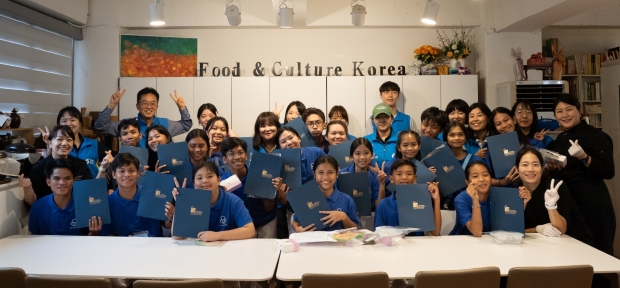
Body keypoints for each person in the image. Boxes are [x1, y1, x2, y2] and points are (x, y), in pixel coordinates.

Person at [547, 93, 616, 256]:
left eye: (569, 109)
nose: (564, 115)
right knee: (570, 255)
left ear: (579, 110)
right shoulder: (559, 140)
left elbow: (608, 170)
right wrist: (550, 166)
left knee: (598, 254)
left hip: (591, 203)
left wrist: (584, 157)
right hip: (568, 203)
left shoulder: (597, 136)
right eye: (559, 111)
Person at [517, 147, 594, 245]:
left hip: (572, 242)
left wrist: (551, 206)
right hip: (539, 243)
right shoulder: (515, 191)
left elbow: (561, 229)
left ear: (542, 168)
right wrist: (537, 229)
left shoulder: (554, 187)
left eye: (535, 165)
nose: (530, 169)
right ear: (517, 169)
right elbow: (511, 231)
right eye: (525, 165)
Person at [172, 161, 256, 241]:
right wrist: (180, 204)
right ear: (194, 184)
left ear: (219, 179)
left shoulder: (233, 201)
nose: (205, 181)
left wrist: (217, 235)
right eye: (199, 178)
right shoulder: (190, 201)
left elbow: (250, 230)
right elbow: (176, 235)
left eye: (210, 176)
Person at [221, 137, 283, 238]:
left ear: (246, 156)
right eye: (231, 153)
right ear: (224, 159)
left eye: (240, 152)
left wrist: (273, 192)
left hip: (266, 220)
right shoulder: (223, 184)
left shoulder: (259, 173)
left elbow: (268, 208)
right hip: (242, 226)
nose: (237, 157)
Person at [100, 153, 173, 237]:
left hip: (154, 246)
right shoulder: (107, 204)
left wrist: (171, 217)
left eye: (131, 170)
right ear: (113, 175)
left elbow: (166, 224)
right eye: (122, 171)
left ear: (138, 172)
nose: (127, 175)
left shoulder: (152, 194)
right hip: (123, 248)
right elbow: (109, 236)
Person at [450, 161, 530, 236]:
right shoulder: (461, 199)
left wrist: (523, 203)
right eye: (475, 176)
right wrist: (475, 200)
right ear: (467, 182)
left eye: (485, 175)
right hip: (462, 242)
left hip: (489, 242)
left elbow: (510, 224)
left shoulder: (498, 195)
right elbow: (477, 232)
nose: (481, 179)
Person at [94, 87, 192, 147]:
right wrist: (112, 105)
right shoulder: (128, 125)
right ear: (137, 106)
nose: (149, 107)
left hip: (161, 169)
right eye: (145, 103)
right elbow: (101, 126)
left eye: (153, 103)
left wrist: (182, 107)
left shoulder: (165, 124)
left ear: (157, 107)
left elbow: (186, 125)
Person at [28, 158, 102, 236]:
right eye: (57, 178)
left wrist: (94, 232)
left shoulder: (85, 204)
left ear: (74, 180)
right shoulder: (38, 207)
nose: (62, 183)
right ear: (48, 182)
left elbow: (88, 240)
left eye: (67, 178)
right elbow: (34, 237)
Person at [23, 126, 95, 205]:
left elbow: (89, 190)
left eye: (69, 140)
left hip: (76, 210)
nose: (64, 143)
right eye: (59, 139)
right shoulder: (38, 169)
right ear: (49, 143)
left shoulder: (81, 165)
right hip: (48, 212)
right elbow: (35, 201)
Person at [375, 159, 442, 236]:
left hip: (418, 246)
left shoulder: (421, 201)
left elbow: (436, 233)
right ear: (391, 179)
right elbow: (378, 235)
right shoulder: (383, 205)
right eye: (399, 174)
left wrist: (436, 199)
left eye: (409, 174)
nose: (404, 177)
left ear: (415, 178)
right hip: (393, 246)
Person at [292, 156, 360, 232]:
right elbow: (296, 221)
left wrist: (343, 217)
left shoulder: (347, 200)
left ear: (337, 173)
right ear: (314, 174)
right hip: (313, 242)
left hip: (339, 243)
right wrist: (297, 229)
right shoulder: (306, 197)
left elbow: (356, 229)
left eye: (330, 172)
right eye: (320, 172)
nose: (325, 177)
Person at [44, 106, 115, 178]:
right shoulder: (61, 148)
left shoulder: (93, 144)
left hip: (92, 186)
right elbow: (49, 165)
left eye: (72, 120)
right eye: (64, 121)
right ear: (59, 125)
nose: (68, 124)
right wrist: (50, 143)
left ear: (80, 123)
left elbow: (114, 156)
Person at [339, 138, 386, 210]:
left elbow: (379, 206)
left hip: (368, 217)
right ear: (351, 156)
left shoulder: (375, 177)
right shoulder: (342, 174)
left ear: (372, 155)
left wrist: (382, 183)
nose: (362, 157)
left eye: (366, 153)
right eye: (357, 153)